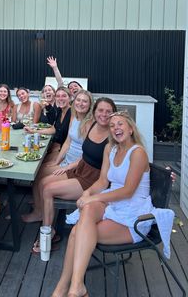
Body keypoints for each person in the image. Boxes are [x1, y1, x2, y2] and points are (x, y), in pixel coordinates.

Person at [52, 111, 156, 297]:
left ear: (131, 129)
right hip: (113, 203)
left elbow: (128, 191)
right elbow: (102, 182)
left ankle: (65, 288)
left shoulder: (138, 153)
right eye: (112, 125)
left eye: (120, 124)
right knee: (89, 208)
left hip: (133, 213)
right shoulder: (111, 149)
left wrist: (93, 198)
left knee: (77, 232)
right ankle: (74, 287)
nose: (116, 128)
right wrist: (88, 192)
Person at [30, 97, 117, 252]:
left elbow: (129, 153)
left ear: (113, 114)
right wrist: (68, 165)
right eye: (100, 110)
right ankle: (47, 221)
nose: (103, 114)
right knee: (43, 183)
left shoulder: (113, 134)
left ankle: (47, 232)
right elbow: (84, 153)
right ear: (94, 112)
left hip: (93, 178)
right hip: (80, 168)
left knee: (48, 189)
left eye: (108, 111)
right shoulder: (92, 125)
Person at [22, 90, 93, 224]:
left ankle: (43, 215)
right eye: (78, 100)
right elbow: (68, 141)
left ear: (90, 105)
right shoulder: (75, 116)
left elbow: (88, 153)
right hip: (68, 160)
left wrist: (67, 166)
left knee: (44, 182)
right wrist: (57, 161)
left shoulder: (89, 123)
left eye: (85, 101)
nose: (80, 103)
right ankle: (39, 211)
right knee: (38, 172)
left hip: (77, 167)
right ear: (74, 101)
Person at [26, 87, 72, 160]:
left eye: (64, 96)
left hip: (67, 152)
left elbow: (69, 141)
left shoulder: (72, 113)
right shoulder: (60, 110)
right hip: (59, 146)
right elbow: (54, 129)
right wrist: (34, 131)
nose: (60, 98)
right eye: (58, 96)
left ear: (70, 98)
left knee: (40, 165)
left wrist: (57, 160)